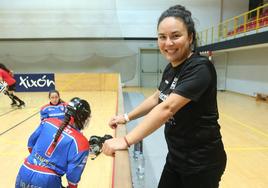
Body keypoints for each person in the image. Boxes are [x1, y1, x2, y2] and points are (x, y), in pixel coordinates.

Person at [102, 5, 227, 188]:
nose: (168, 43)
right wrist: (126, 117)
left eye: (175, 36)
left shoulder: (200, 68)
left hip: (202, 163)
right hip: (176, 157)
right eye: (162, 37)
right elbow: (157, 98)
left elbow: (167, 108)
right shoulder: (171, 68)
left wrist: (126, 140)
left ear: (190, 37)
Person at [16, 97, 91, 188]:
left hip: (24, 170)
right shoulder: (81, 142)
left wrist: (40, 160)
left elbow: (30, 144)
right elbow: (73, 175)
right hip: (47, 181)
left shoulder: (48, 121)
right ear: (83, 118)